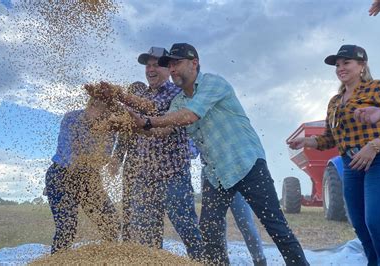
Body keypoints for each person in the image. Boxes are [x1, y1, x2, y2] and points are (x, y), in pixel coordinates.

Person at [126, 43, 309, 265]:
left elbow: (190, 116)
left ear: (194, 63)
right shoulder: (179, 100)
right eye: (170, 65)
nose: (172, 69)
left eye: (177, 63)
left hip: (246, 165)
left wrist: (147, 121)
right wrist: (130, 124)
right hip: (216, 175)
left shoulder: (213, 83)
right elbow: (163, 130)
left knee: (276, 226)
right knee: (209, 231)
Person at [288, 44, 380, 265]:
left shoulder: (378, 88)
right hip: (351, 163)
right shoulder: (335, 102)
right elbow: (330, 138)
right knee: (360, 224)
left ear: (362, 65)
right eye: (337, 65)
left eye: (346, 62)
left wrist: (375, 145)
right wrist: (307, 141)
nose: (340, 68)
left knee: (377, 222)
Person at [108, 47, 204, 260]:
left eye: (156, 65)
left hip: (173, 174)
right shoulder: (139, 93)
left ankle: (202, 262)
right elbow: (127, 124)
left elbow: (155, 115)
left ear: (169, 68)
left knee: (186, 226)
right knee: (146, 233)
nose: (150, 69)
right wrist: (112, 108)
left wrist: (122, 101)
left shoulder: (176, 93)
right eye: (147, 65)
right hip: (144, 177)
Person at [44, 94, 120, 254]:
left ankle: (108, 258)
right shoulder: (71, 118)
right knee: (67, 228)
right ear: (90, 105)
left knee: (111, 221)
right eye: (94, 104)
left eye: (105, 111)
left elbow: (103, 158)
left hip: (89, 178)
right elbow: (67, 154)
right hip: (61, 176)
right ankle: (57, 262)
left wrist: (102, 158)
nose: (96, 110)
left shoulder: (111, 127)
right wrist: (95, 157)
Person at [189, 139, 267, 265]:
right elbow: (192, 152)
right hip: (211, 175)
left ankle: (260, 261)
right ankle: (221, 260)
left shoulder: (225, 125)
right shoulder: (197, 127)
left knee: (245, 222)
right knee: (216, 225)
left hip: (234, 173)